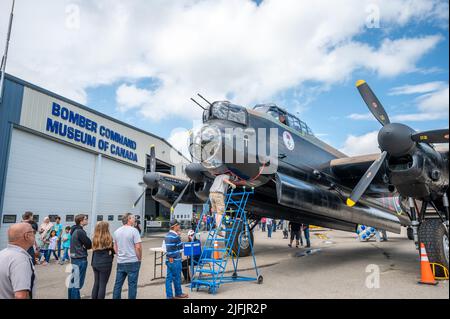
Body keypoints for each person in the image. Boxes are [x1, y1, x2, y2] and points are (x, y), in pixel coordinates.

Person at [0, 223, 36, 299]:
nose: (34, 234)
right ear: (27, 236)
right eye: (33, 232)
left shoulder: (2, 254)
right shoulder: (21, 259)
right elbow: (20, 296)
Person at [112, 213, 142, 299]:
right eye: (133, 218)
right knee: (132, 285)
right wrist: (139, 258)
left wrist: (120, 255)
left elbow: (115, 247)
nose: (135, 219)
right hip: (132, 261)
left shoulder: (116, 231)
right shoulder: (134, 231)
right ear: (129, 219)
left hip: (121, 262)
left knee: (118, 284)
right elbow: (138, 247)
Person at [68, 214, 92, 299]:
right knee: (77, 284)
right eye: (85, 219)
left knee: (73, 281)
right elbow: (89, 244)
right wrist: (85, 245)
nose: (87, 220)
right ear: (81, 221)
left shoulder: (74, 230)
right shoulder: (80, 231)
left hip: (74, 258)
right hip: (80, 259)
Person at [164, 220, 188, 299]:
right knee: (177, 277)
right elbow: (181, 248)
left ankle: (169, 296)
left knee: (169, 278)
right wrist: (179, 236)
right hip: (175, 259)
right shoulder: (175, 236)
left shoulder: (167, 235)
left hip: (168, 259)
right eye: (178, 225)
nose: (179, 226)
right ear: (174, 226)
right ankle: (178, 293)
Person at [91, 221, 115, 299]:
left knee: (96, 283)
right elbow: (113, 251)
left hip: (95, 262)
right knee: (102, 284)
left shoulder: (94, 237)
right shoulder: (109, 238)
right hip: (105, 263)